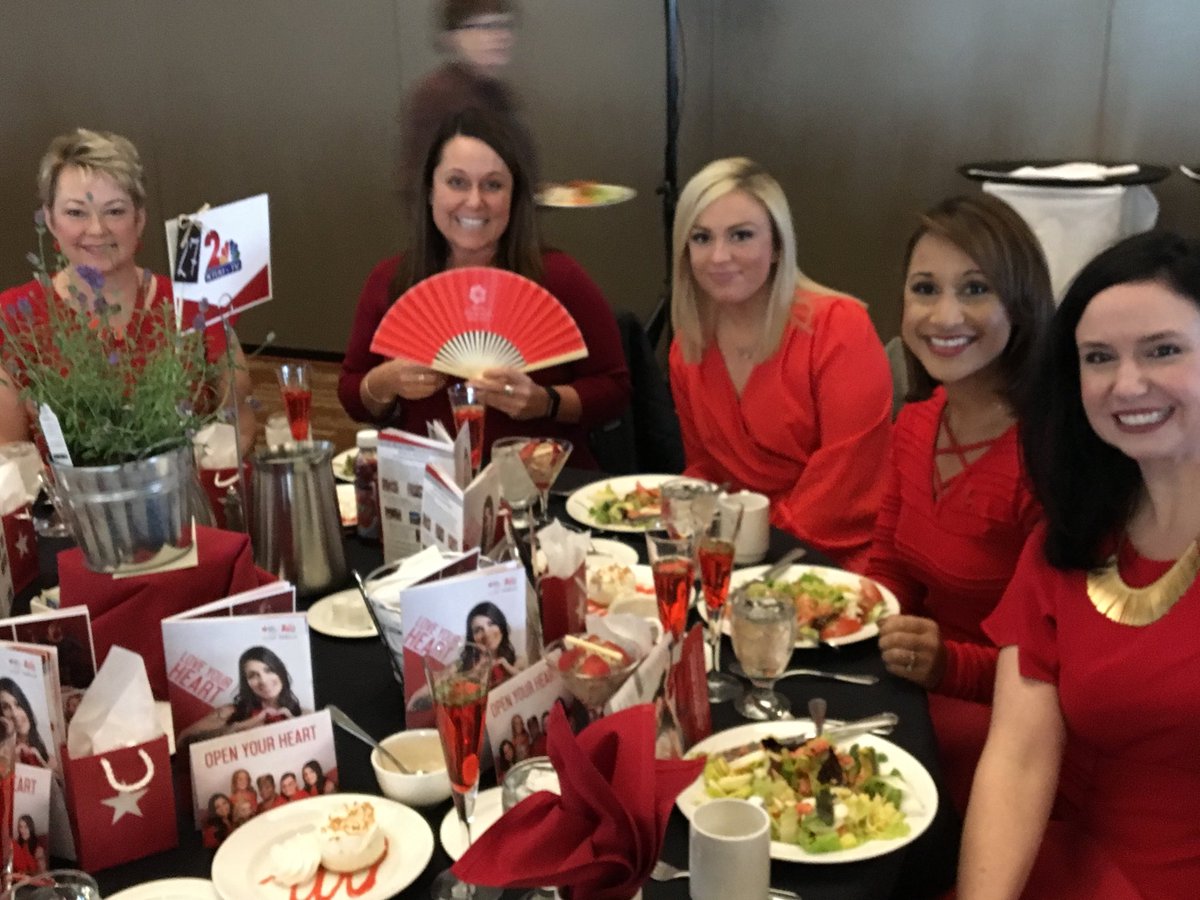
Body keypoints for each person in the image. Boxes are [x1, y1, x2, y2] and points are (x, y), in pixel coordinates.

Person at [959, 231, 1200, 899]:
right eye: (1099, 358)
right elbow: (1019, 757)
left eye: (1163, 350)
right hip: (1068, 866)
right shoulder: (1068, 542)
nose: (1127, 383)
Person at [868, 194, 1052, 814]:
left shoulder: (1046, 459)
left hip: (1004, 720)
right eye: (925, 288)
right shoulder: (916, 423)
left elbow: (1050, 660)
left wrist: (946, 665)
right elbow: (889, 563)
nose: (945, 315)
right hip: (919, 684)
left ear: (1021, 305)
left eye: (975, 289)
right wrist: (863, 615)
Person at [338, 108, 630, 469]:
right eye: (457, 182)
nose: (474, 201)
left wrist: (546, 401)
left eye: (493, 185)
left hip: (538, 486)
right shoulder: (390, 280)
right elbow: (352, 395)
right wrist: (384, 381)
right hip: (426, 486)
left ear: (514, 197)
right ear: (430, 191)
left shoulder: (559, 277)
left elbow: (616, 389)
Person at [668, 157, 892, 571]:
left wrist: (747, 543)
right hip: (734, 552)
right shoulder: (689, 344)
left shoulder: (839, 327)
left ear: (777, 247)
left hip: (834, 561)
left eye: (741, 236)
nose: (719, 256)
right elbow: (704, 468)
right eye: (701, 238)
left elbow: (842, 487)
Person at [0, 128, 255, 450]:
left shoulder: (195, 304)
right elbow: (7, 456)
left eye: (115, 210)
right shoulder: (11, 320)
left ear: (139, 219)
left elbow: (240, 427)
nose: (97, 229)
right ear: (50, 220)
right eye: (76, 212)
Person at [399, 0, 535, 203]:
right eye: (485, 26)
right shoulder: (437, 97)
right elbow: (418, 185)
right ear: (452, 37)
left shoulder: (500, 94)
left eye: (505, 25)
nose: (500, 36)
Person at [178, 646, 304, 744]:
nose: (263, 681)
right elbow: (182, 741)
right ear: (246, 682)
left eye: (269, 670)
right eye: (253, 675)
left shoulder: (303, 713)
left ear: (280, 671)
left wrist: (298, 727)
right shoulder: (231, 712)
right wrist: (239, 728)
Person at [466, 600, 521, 685]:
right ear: (472, 638)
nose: (487, 634)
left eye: (491, 624)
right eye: (478, 630)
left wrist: (508, 668)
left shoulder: (519, 661)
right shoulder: (465, 669)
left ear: (501, 627)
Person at [0, 678, 50, 769]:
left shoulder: (43, 753)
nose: (15, 714)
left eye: (18, 705)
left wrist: (42, 764)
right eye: (6, 707)